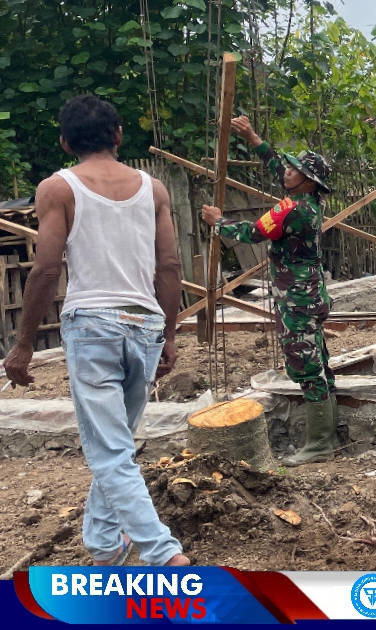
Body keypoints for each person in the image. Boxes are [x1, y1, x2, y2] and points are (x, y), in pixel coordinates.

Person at [1, 95, 189, 566]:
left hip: (92, 327)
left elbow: (46, 269)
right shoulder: (154, 189)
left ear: (65, 142)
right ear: (118, 135)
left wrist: (23, 344)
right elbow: (169, 265)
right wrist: (169, 334)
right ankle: (104, 545)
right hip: (145, 323)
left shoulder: (57, 188)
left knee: (109, 450)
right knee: (116, 443)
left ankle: (162, 552)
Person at [200, 116, 337, 467]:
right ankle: (329, 435)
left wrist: (218, 222)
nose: (286, 172)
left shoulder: (290, 209)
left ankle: (320, 443)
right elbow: (280, 169)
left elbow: (252, 233)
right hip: (311, 292)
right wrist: (253, 138)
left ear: (308, 181)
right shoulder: (310, 202)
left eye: (295, 170)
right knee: (319, 361)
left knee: (305, 366)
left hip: (297, 298)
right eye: (289, 167)